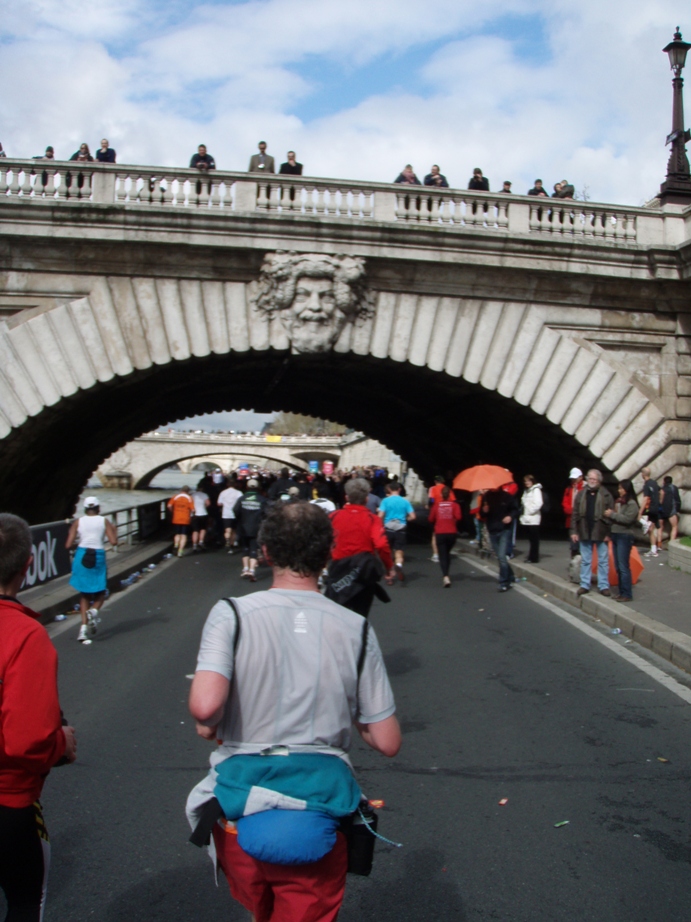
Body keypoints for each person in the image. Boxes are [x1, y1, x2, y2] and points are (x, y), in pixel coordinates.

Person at [186, 501, 401, 922]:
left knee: (258, 909)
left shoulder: (230, 614)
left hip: (242, 804)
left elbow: (206, 706)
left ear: (265, 551)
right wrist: (357, 720)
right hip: (319, 804)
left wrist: (208, 723)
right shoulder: (356, 628)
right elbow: (387, 740)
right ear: (328, 555)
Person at [0, 513, 77, 920]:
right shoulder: (26, 635)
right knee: (26, 904)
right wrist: (63, 741)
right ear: (29, 565)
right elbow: (28, 740)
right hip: (9, 802)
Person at [326, 478, 393, 617]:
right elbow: (381, 545)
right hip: (363, 573)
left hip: (338, 571)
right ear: (367, 499)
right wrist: (388, 567)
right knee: (360, 616)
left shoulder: (333, 517)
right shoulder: (372, 519)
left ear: (346, 497)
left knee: (337, 616)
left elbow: (323, 543)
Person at [65, 496, 118, 644]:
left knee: (85, 594)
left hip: (82, 555)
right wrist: (114, 531)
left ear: (85, 508)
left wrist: (78, 537)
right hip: (98, 555)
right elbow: (113, 541)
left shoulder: (78, 521)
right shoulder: (104, 521)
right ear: (98, 508)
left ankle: (83, 630)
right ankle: (93, 611)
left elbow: (68, 544)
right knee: (101, 591)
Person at [571, 469, 613, 597]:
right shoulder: (581, 494)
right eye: (590, 479)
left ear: (599, 481)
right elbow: (575, 514)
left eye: (594, 479)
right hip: (584, 530)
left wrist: (609, 534)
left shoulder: (606, 495)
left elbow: (612, 516)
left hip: (601, 531)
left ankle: (603, 586)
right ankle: (584, 584)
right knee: (585, 560)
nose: (592, 481)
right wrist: (573, 531)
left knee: (603, 561)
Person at [604, 479, 639, 602]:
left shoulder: (632, 504)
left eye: (621, 488)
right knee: (618, 565)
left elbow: (627, 519)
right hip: (615, 534)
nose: (619, 491)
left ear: (626, 489)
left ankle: (627, 593)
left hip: (624, 536)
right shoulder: (619, 502)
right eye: (618, 488)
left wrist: (612, 514)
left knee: (623, 566)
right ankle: (621, 591)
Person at [482, 486, 519, 591]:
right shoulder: (486, 497)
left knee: (502, 556)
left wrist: (510, 517)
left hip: (504, 529)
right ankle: (510, 576)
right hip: (492, 529)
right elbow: (482, 514)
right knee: (499, 556)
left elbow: (516, 510)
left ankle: (504, 582)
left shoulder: (507, 497)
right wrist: (484, 511)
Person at [378, 482, 415, 583]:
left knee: (388, 553)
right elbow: (413, 516)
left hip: (388, 528)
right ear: (399, 490)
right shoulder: (405, 502)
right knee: (399, 552)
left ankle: (390, 577)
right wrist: (405, 519)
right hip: (400, 529)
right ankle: (398, 564)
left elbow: (380, 516)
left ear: (389, 490)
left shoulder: (385, 501)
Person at [233, 479, 267, 581]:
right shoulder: (262, 499)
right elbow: (267, 512)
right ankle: (252, 570)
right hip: (256, 527)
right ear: (258, 487)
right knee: (254, 548)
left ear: (247, 487)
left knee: (245, 548)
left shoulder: (241, 499)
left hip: (243, 527)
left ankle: (245, 568)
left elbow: (235, 510)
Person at [428, 486, 461, 587]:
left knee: (442, 555)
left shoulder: (437, 505)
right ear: (450, 495)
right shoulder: (455, 505)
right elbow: (459, 517)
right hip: (452, 533)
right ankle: (447, 572)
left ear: (441, 495)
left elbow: (430, 519)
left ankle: (446, 576)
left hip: (440, 533)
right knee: (447, 553)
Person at [519, 475, 543, 563]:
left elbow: (538, 503)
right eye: (525, 481)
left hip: (533, 519)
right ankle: (531, 556)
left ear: (532, 481)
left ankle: (534, 558)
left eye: (528, 481)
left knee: (534, 540)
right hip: (527, 519)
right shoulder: (526, 491)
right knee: (530, 540)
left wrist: (529, 511)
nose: (527, 483)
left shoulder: (536, 490)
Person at [638, 467, 661, 558]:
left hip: (650, 508)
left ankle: (645, 524)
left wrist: (640, 511)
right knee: (651, 530)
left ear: (643, 474)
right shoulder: (654, 483)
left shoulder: (647, 485)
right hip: (656, 507)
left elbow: (645, 499)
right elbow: (661, 492)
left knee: (637, 516)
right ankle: (653, 550)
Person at [562, 467, 585, 557]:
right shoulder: (568, 489)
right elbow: (565, 503)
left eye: (575, 478)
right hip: (571, 520)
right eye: (572, 479)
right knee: (573, 544)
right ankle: (574, 561)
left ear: (581, 477)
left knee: (582, 543)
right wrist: (572, 510)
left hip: (582, 521)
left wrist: (574, 511)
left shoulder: (584, 489)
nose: (573, 480)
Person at [168, 486, 195, 557]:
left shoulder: (175, 497)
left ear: (181, 490)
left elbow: (169, 505)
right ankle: (180, 551)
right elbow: (193, 510)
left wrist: (173, 511)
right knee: (183, 536)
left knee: (177, 534)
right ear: (188, 491)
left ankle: (176, 544)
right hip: (185, 519)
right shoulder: (189, 498)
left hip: (176, 518)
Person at [217, 479, 243, 552]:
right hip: (235, 514)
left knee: (227, 530)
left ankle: (227, 540)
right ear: (235, 485)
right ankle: (231, 546)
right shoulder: (238, 493)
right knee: (234, 531)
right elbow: (241, 502)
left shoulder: (223, 492)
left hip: (226, 513)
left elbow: (219, 503)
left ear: (227, 485)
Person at [659, 474, 682, 547]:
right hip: (671, 511)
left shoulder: (661, 489)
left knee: (660, 527)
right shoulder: (674, 488)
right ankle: (671, 544)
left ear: (664, 482)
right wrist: (677, 509)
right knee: (674, 526)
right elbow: (677, 499)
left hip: (661, 510)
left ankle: (659, 544)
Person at [190, 487, 211, 552]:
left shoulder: (192, 495)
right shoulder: (204, 495)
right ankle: (201, 541)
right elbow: (208, 503)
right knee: (203, 529)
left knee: (195, 530)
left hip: (194, 514)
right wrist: (204, 506)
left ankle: (194, 545)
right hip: (203, 513)